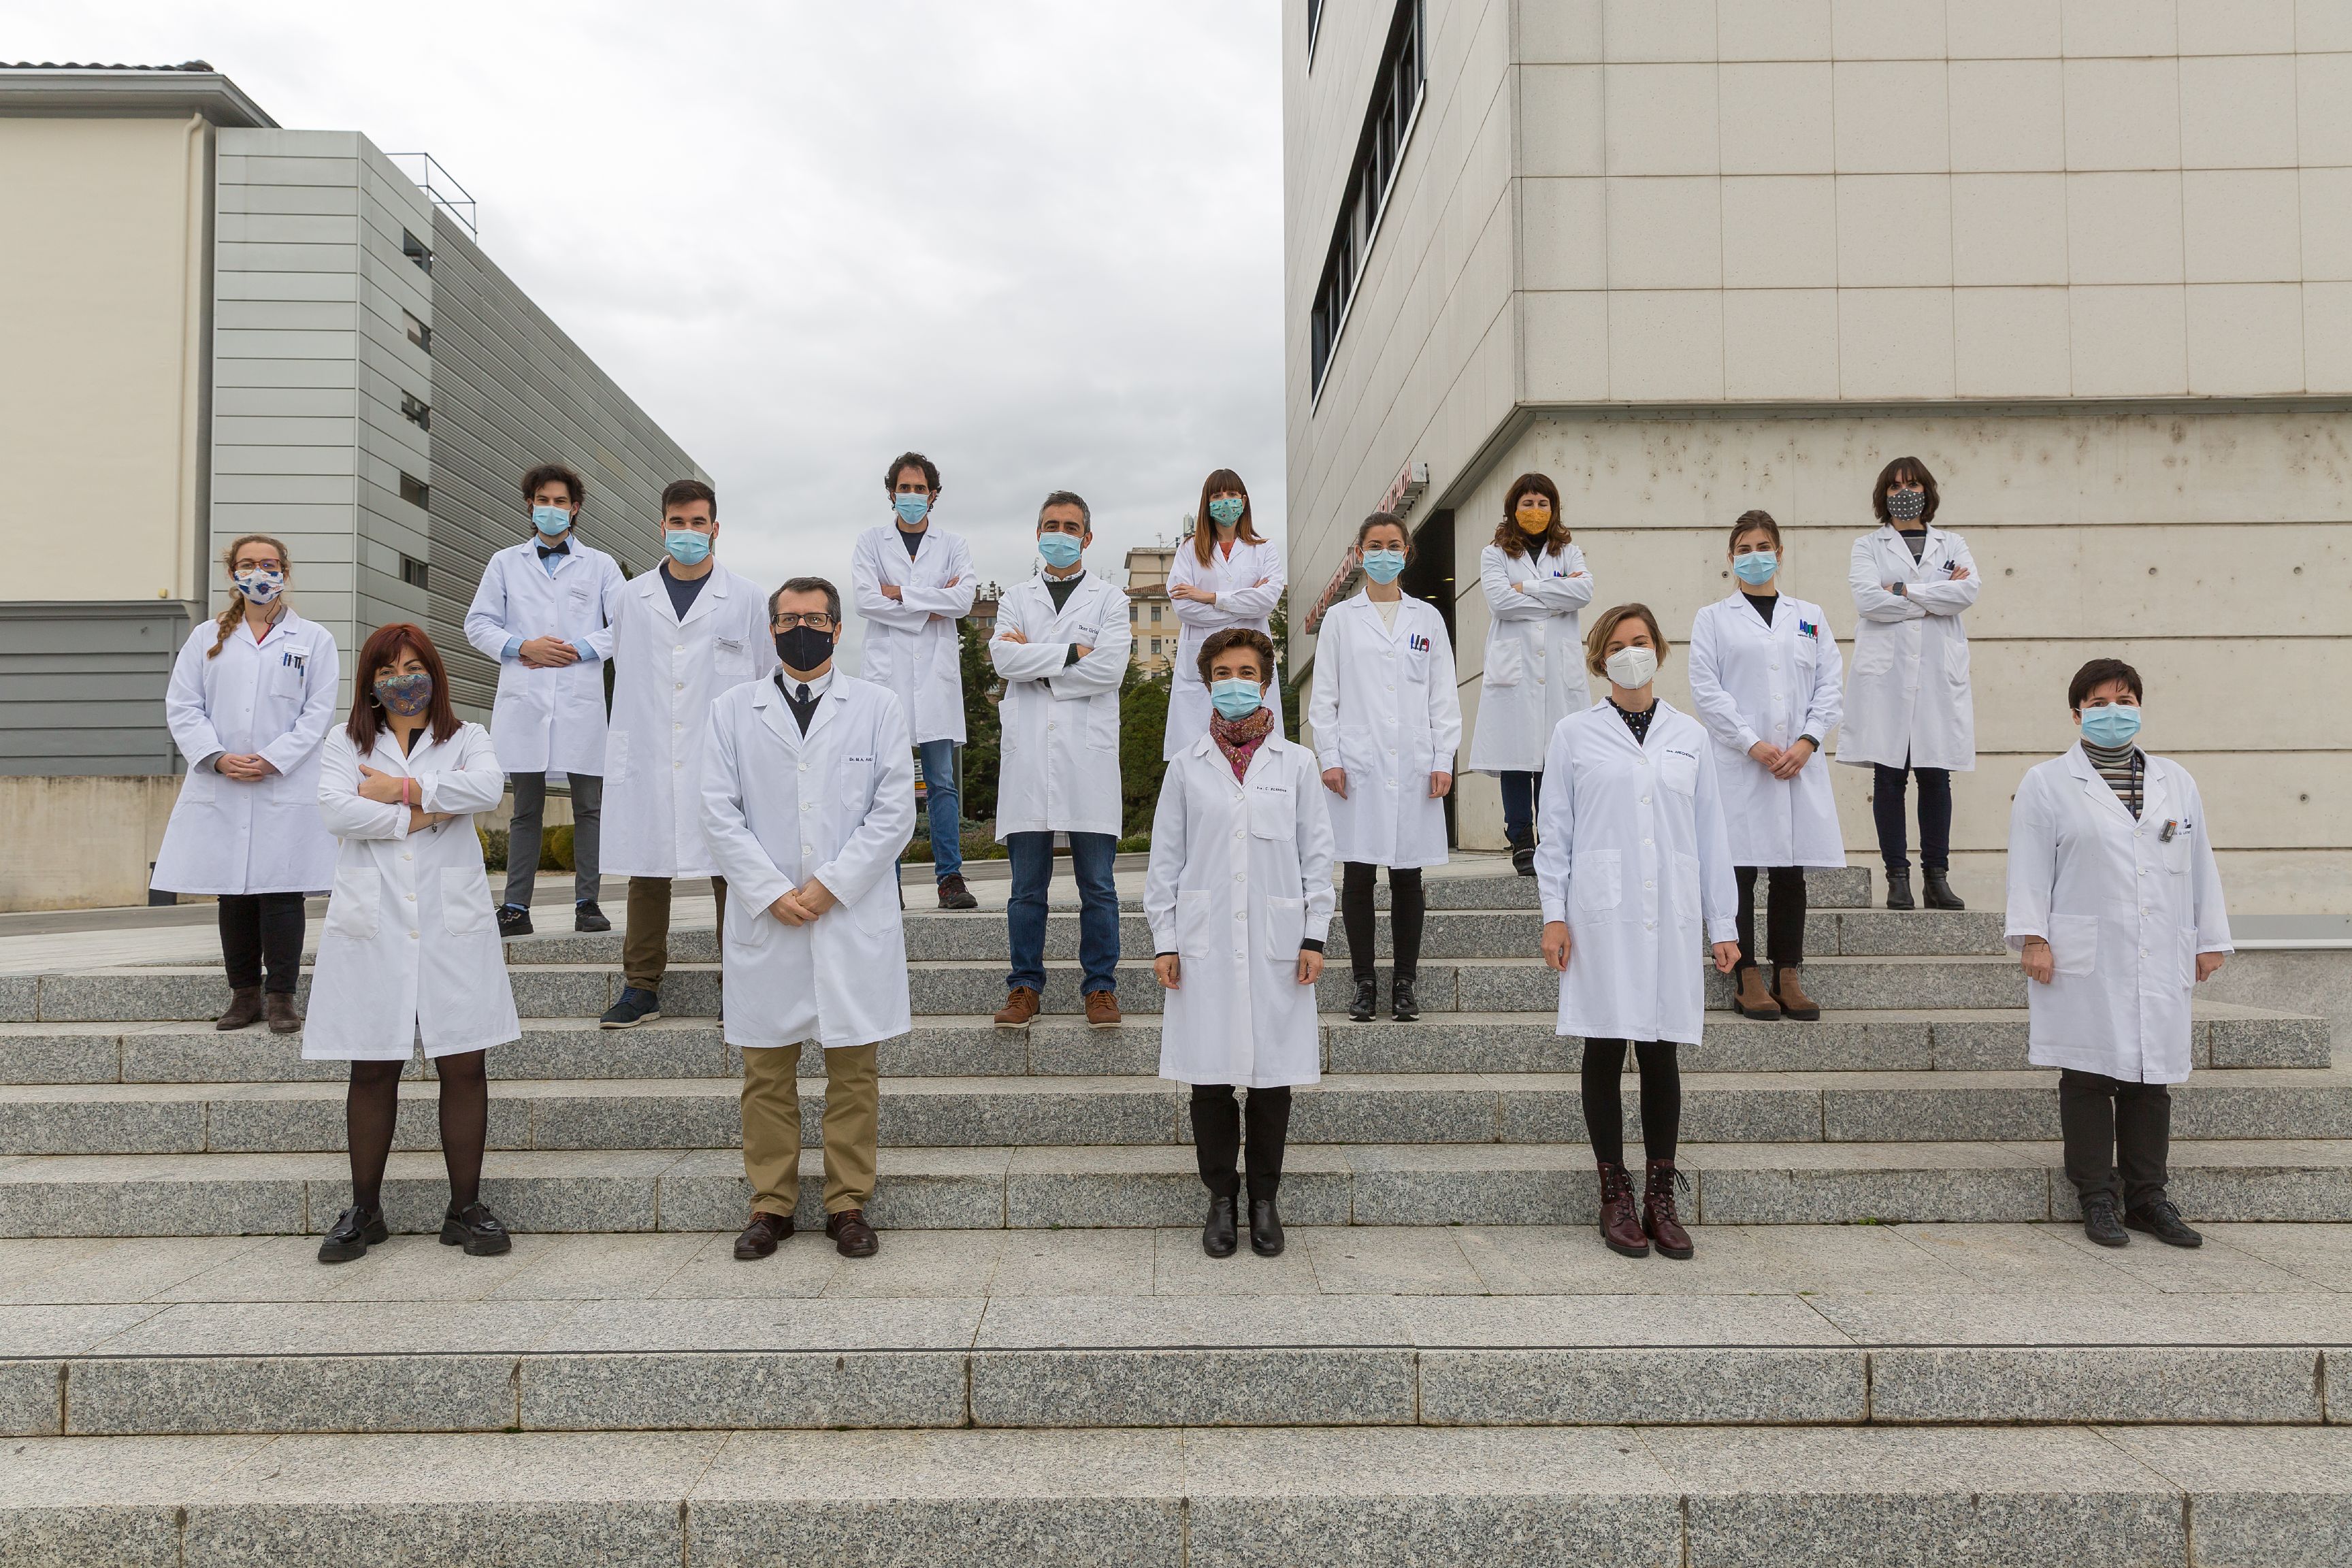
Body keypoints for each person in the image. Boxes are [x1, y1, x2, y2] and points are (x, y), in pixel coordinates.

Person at [702, 577, 916, 1262]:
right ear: (772, 630)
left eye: (815, 618)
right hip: (769, 918)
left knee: (853, 1071)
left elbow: (894, 812)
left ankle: (848, 1202)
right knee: (766, 1074)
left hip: (846, 914)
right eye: (789, 618)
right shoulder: (733, 710)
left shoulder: (878, 707)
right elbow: (717, 809)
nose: (802, 627)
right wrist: (769, 890)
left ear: (836, 628)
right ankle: (771, 1205)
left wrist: (830, 886)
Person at [306, 623, 519, 1263]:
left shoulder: (468, 738)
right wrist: (423, 813)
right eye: (388, 669)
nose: (403, 679)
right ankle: (365, 1211)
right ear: (371, 683)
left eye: (414, 666)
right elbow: (337, 812)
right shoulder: (345, 743)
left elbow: (485, 789)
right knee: (372, 1065)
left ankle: (466, 1208)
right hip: (374, 924)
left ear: (435, 672)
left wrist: (396, 789)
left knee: (463, 1063)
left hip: (452, 921)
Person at [1537, 605, 1740, 1259]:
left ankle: (1660, 1193)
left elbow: (1712, 836)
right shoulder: (1574, 733)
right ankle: (1613, 1191)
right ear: (1600, 658)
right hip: (1600, 913)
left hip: (1672, 912)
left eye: (1642, 642)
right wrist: (1555, 915)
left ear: (1659, 650)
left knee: (1660, 1051)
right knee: (1603, 1044)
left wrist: (1724, 925)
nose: (1632, 653)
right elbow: (1556, 834)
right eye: (1619, 645)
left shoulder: (1691, 736)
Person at [2007, 659, 2230, 1251]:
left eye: (2124, 699)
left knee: (2150, 1078)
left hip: (2159, 950)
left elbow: (2200, 860)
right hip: (2084, 951)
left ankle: (2147, 1197)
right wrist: (2033, 936)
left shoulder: (2175, 781)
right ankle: (2097, 1197)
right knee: (2087, 1075)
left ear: (2140, 706)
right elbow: (2029, 866)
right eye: (2100, 701)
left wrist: (2209, 937)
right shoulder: (2047, 782)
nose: (2114, 711)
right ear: (2078, 711)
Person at [1147, 627, 1333, 1258]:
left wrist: (1314, 935)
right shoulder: (1186, 767)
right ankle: (1221, 1198)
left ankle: (1264, 1199)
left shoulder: (1298, 764)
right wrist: (1165, 941)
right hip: (1203, 945)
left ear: (1266, 678)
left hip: (1280, 944)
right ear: (1207, 681)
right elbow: (1165, 863)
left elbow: (1318, 858)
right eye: (1221, 671)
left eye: (1245, 671)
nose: (1234, 682)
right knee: (1209, 1079)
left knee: (1272, 1080)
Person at [596, 479, 777, 1028]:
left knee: (732, 865)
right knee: (647, 867)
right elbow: (627, 667)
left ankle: (738, 982)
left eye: (699, 523)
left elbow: (765, 675)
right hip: (649, 748)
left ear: (716, 529)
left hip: (722, 750)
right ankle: (641, 986)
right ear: (662, 527)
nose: (689, 533)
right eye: (678, 522)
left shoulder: (746, 597)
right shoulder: (630, 597)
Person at [154, 534, 341, 1034]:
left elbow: (317, 714)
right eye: (248, 564)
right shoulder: (205, 637)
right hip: (224, 783)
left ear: (285, 571)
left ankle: (281, 996)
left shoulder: (313, 640)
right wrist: (216, 758)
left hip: (283, 782)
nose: (259, 571)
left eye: (269, 563)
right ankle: (244, 996)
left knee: (282, 892)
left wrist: (273, 760)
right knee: (232, 893)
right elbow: (183, 706)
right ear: (232, 573)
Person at [1688, 510, 1845, 1024]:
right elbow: (1707, 690)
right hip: (1741, 763)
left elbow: (1829, 685)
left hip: (1798, 762)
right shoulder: (1713, 619)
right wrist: (1750, 742)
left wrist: (1808, 741)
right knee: (1740, 868)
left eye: (1764, 546)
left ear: (1780, 552)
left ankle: (1788, 972)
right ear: (1731, 559)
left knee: (1789, 868)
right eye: (1744, 548)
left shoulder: (1810, 616)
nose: (1755, 556)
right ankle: (1747, 973)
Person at [1306, 513, 1460, 1023]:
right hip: (1356, 764)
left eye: (1394, 544)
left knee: (1407, 876)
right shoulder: (1340, 619)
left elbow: (1443, 698)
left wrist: (1443, 759)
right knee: (1356, 873)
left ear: (1407, 552)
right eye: (1375, 545)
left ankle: (1405, 984)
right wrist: (1329, 756)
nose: (1384, 552)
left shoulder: (1427, 620)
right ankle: (1364, 982)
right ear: (1359, 553)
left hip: (1414, 765)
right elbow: (1323, 696)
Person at [989, 491, 1134, 1030]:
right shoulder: (1014, 598)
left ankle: (1100, 988)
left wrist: (1038, 665)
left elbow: (1112, 670)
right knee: (1028, 887)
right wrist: (1073, 653)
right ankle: (1024, 986)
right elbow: (1002, 656)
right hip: (1030, 759)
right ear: (1038, 533)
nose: (1060, 533)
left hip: (1087, 759)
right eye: (1051, 524)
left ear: (1087, 537)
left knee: (1098, 884)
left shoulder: (1109, 600)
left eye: (1071, 526)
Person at [463, 461, 625, 937]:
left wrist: (582, 650)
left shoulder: (600, 566)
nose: (551, 508)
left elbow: (625, 625)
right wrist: (522, 647)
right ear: (530, 506)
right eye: (543, 500)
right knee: (526, 808)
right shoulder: (505, 563)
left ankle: (588, 903)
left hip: (579, 699)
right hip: (527, 700)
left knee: (589, 807)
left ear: (575, 509)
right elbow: (479, 624)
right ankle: (516, 907)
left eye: (561, 501)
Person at [1839, 456, 1978, 911]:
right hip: (1888, 674)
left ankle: (1936, 878)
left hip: (1937, 673)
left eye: (1913, 484)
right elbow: (1867, 600)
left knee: (1937, 776)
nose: (1905, 491)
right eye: (1896, 484)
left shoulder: (1952, 542)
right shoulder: (1868, 546)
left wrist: (1901, 590)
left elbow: (1967, 593)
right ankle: (1897, 878)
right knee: (1889, 776)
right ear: (1883, 493)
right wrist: (1935, 597)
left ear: (1927, 491)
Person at [849, 451, 979, 910]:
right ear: (890, 494)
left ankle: (950, 879)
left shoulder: (953, 544)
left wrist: (902, 593)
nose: (911, 496)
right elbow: (866, 601)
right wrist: (932, 603)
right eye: (903, 488)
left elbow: (963, 601)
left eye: (919, 489)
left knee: (942, 782)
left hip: (935, 679)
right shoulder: (870, 542)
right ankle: (890, 880)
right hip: (887, 677)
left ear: (934, 495)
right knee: (887, 782)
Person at [1466, 472, 1596, 875]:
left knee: (1555, 757)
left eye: (1543, 504)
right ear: (1513, 508)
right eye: (1528, 504)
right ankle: (1522, 839)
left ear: (1553, 508)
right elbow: (1501, 603)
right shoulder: (1495, 554)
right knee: (1517, 758)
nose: (1536, 511)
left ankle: (1555, 839)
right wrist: (1556, 594)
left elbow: (1585, 592)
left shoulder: (1568, 551)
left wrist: (1527, 589)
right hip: (1515, 672)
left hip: (1558, 669)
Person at [1162, 468, 1287, 760]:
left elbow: (1267, 600)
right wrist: (1244, 609)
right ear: (1207, 504)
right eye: (1217, 496)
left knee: (1257, 755)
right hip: (1203, 660)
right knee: (1197, 756)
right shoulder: (1189, 550)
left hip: (1250, 658)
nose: (1225, 501)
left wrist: (1209, 597)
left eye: (1232, 495)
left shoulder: (1264, 549)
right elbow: (1184, 608)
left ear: (1244, 501)